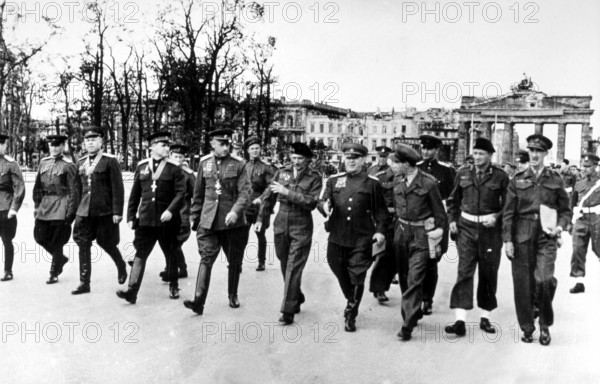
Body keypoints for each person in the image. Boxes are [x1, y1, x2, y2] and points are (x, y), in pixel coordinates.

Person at [503, 134, 571, 346]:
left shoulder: (555, 179)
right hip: (522, 234)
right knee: (523, 284)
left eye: (538, 152)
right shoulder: (518, 178)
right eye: (531, 151)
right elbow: (508, 213)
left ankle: (544, 324)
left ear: (545, 154)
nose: (534, 155)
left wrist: (560, 227)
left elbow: (565, 210)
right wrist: (508, 240)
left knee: (544, 279)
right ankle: (527, 326)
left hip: (546, 235)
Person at [445, 138, 509, 336]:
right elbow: (453, 200)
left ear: (491, 155)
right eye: (475, 153)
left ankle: (485, 317)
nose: (477, 157)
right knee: (464, 271)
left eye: (482, 154)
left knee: (488, 273)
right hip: (466, 228)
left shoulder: (500, 176)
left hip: (490, 231)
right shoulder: (463, 173)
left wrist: (497, 218)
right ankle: (460, 320)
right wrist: (452, 220)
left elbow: (509, 205)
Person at [320, 143, 387, 331]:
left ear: (363, 160)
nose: (351, 161)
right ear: (343, 159)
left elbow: (381, 212)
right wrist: (324, 206)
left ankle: (351, 313)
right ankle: (352, 299)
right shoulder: (334, 180)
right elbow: (323, 201)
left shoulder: (372, 183)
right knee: (337, 266)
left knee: (357, 274)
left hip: (362, 237)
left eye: (355, 158)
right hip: (338, 235)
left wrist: (380, 231)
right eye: (348, 158)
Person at [183, 128, 250, 315]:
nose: (227, 147)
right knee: (206, 258)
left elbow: (245, 192)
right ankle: (198, 301)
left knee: (234, 260)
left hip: (232, 223)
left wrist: (236, 211)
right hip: (209, 220)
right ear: (213, 144)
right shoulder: (204, 163)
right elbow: (198, 193)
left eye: (228, 143)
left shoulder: (239, 164)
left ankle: (233, 294)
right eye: (222, 144)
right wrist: (195, 217)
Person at [257, 142, 322, 325]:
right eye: (293, 158)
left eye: (300, 158)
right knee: (284, 262)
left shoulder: (314, 177)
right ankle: (296, 296)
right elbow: (269, 196)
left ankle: (287, 310)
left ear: (308, 160)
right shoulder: (282, 172)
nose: (296, 162)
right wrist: (261, 219)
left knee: (293, 266)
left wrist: (287, 192)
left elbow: (311, 202)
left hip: (301, 224)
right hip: (281, 222)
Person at [117, 131, 185, 303]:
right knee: (140, 253)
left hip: (167, 220)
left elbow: (180, 193)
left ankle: (174, 285)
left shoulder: (174, 167)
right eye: (163, 145)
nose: (167, 148)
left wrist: (170, 210)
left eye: (168, 145)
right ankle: (131, 291)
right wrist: (131, 216)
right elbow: (135, 194)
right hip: (146, 220)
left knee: (170, 252)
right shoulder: (141, 167)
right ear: (152, 147)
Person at [393, 144, 447, 341]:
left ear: (407, 164)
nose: (393, 166)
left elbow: (440, 215)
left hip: (422, 236)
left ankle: (407, 324)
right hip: (401, 233)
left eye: (396, 163)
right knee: (405, 275)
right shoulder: (397, 181)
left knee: (415, 278)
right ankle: (413, 311)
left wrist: (441, 242)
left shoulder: (429, 184)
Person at [72, 126, 127, 295]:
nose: (90, 143)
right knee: (83, 244)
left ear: (101, 141)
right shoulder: (80, 162)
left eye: (94, 139)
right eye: (87, 140)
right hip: (85, 211)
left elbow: (118, 188)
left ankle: (120, 264)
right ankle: (84, 282)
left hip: (104, 211)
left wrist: (117, 212)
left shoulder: (110, 161)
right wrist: (73, 212)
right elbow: (77, 189)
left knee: (107, 242)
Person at [33, 134, 80, 284]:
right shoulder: (43, 163)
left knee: (57, 240)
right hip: (45, 205)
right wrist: (36, 205)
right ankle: (60, 258)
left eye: (57, 145)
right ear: (49, 146)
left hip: (61, 204)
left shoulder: (69, 165)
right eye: (52, 145)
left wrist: (71, 211)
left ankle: (53, 272)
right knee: (39, 237)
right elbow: (37, 187)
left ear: (63, 146)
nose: (54, 148)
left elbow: (74, 191)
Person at [417, 134, 455, 316]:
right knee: (416, 261)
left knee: (431, 261)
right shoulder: (415, 169)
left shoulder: (446, 171)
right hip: (417, 223)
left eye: (429, 149)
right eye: (423, 148)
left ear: (437, 150)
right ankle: (417, 297)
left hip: (436, 223)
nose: (425, 151)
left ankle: (427, 299)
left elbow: (452, 199)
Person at [158, 143, 196, 280]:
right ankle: (177, 268)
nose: (178, 160)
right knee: (169, 244)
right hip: (166, 215)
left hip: (182, 216)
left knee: (174, 244)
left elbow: (197, 196)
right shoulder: (165, 171)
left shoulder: (188, 175)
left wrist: (194, 215)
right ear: (170, 156)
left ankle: (172, 269)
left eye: (181, 157)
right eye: (176, 156)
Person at [367, 146, 398, 303]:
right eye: (381, 156)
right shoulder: (374, 173)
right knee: (381, 254)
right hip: (381, 219)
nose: (383, 159)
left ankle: (384, 284)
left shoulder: (401, 176)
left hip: (399, 220)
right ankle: (379, 289)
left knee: (394, 255)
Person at [568, 154, 600, 294]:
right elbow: (573, 201)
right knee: (577, 251)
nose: (585, 169)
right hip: (580, 220)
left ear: (595, 166)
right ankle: (578, 281)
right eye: (584, 166)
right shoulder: (579, 181)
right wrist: (570, 221)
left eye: (588, 166)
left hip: (597, 219)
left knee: (598, 249)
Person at [242, 136, 275, 272]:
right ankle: (237, 262)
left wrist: (261, 198)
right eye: (252, 149)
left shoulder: (266, 167)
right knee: (242, 235)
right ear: (248, 151)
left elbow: (269, 187)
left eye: (257, 148)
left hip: (260, 205)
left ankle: (261, 261)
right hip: (245, 205)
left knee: (260, 234)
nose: (255, 151)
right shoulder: (243, 166)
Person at [0, 131, 25, 281]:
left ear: (4, 145)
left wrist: (14, 208)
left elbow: (19, 187)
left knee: (6, 240)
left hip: (5, 207)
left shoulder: (11, 163)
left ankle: (8, 271)